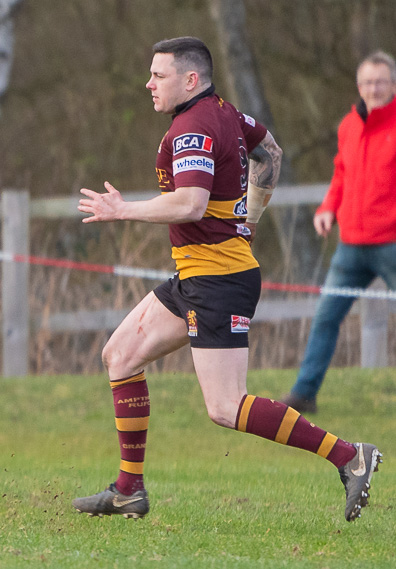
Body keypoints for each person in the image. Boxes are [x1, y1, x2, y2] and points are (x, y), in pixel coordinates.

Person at [73, 37, 381, 521]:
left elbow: (191, 203)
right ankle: (129, 490)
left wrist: (123, 210)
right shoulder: (226, 112)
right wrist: (249, 220)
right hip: (197, 274)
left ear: (190, 79)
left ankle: (350, 456)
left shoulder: (193, 127)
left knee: (225, 406)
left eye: (159, 75)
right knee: (120, 355)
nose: (149, 84)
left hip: (218, 281)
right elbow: (271, 152)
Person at [282, 51, 396, 414]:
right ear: (359, 86)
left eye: (380, 82)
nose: (373, 89)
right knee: (326, 317)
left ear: (392, 85)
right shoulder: (349, 125)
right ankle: (304, 394)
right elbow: (341, 173)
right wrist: (328, 208)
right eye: (368, 82)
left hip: (391, 243)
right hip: (350, 247)